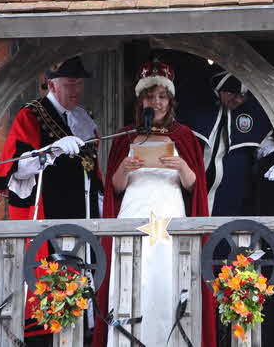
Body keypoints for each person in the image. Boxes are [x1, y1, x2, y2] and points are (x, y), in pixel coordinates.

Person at [93, 60, 216, 347]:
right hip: (133, 212)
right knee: (130, 276)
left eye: (162, 97)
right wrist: (124, 167)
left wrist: (182, 165)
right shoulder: (125, 137)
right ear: (141, 100)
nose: (156, 102)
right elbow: (115, 188)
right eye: (150, 96)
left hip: (168, 213)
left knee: (165, 277)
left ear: (170, 101)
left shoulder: (184, 137)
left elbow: (194, 186)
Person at [0, 56, 103, 343]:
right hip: (49, 214)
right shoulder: (31, 115)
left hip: (83, 215)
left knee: (84, 280)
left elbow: (93, 174)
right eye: (69, 83)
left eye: (79, 83)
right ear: (52, 84)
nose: (76, 89)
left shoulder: (83, 119)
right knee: (50, 284)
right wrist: (52, 150)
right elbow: (17, 167)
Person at [179, 70, 274, 217]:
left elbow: (269, 149)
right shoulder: (198, 109)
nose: (238, 100)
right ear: (219, 90)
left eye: (242, 96)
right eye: (232, 93)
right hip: (199, 186)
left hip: (236, 188)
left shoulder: (254, 115)